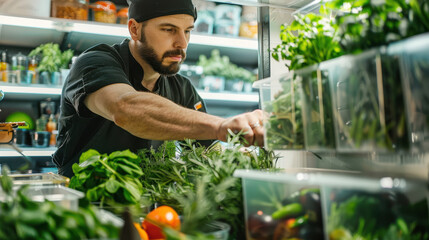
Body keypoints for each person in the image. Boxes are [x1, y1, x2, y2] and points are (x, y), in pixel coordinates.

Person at [52, 0, 264, 178]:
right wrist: (221, 126)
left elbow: (209, 151)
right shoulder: (95, 63)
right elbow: (126, 108)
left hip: (148, 209)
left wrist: (242, 161)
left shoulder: (182, 88)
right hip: (83, 208)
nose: (182, 43)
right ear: (135, 29)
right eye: (169, 30)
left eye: (188, 31)